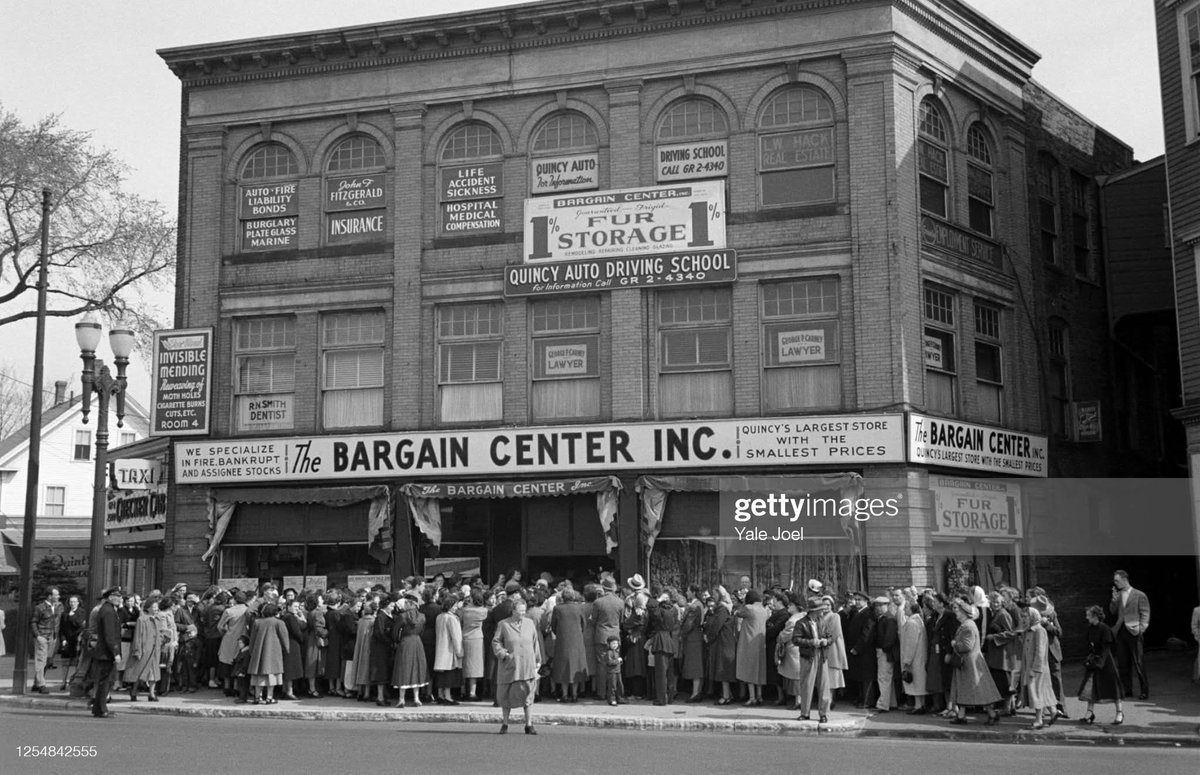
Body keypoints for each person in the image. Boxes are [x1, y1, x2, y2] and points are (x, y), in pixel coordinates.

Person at [492, 594, 543, 734]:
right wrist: (503, 654)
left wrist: (538, 661)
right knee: (505, 695)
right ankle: (505, 723)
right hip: (511, 665)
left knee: (528, 695)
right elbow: (496, 642)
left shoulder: (530, 623)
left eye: (523, 610)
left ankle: (529, 724)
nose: (522, 613)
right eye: (519, 611)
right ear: (513, 611)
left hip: (526, 665)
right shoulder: (503, 624)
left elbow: (535, 643)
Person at [946, 598, 1001, 725]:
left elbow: (966, 646)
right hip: (969, 663)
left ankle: (992, 714)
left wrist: (955, 644)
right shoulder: (968, 625)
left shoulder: (967, 626)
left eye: (958, 611)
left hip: (970, 663)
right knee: (967, 690)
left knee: (978, 690)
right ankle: (961, 715)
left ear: (965, 613)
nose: (956, 614)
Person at [1078, 604, 1124, 725]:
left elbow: (1106, 648)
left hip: (1106, 662)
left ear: (1095, 616)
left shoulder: (1104, 629)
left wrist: (1100, 663)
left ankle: (1119, 712)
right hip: (1094, 661)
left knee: (1113, 688)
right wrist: (1089, 659)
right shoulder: (1090, 628)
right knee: (1090, 688)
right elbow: (1088, 645)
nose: (1086, 618)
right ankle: (1089, 713)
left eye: (1088, 615)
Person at [1108, 569, 1150, 699]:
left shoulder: (1139, 594)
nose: (1115, 583)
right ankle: (1127, 689)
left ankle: (1144, 690)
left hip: (1134, 631)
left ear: (1124, 579)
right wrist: (1114, 600)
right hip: (1121, 631)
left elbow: (1145, 613)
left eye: (1117, 580)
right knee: (1123, 662)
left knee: (1138, 662)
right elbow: (1112, 612)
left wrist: (1141, 628)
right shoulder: (1118, 595)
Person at [792, 597, 832, 722]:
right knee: (806, 686)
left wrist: (826, 641)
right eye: (820, 609)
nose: (822, 611)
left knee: (824, 686)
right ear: (814, 611)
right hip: (808, 656)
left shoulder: (823, 621)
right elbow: (796, 640)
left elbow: (830, 637)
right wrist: (811, 642)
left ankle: (823, 714)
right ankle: (805, 713)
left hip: (821, 655)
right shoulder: (801, 623)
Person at [1018, 607, 1056, 729]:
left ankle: (1039, 720)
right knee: (1043, 691)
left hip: (1037, 668)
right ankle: (1054, 712)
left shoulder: (1039, 631)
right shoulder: (1028, 631)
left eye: (1025, 616)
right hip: (1030, 666)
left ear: (1033, 617)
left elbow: (1040, 652)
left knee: (1037, 693)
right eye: (1022, 617)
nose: (1023, 619)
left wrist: (1035, 669)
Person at [89, 587, 124, 718]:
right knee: (106, 681)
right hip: (106, 652)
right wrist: (115, 652)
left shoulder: (107, 609)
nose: (120, 598)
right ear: (110, 597)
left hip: (104, 651)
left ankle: (98, 708)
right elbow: (110, 635)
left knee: (104, 680)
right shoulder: (108, 611)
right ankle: (102, 709)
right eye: (117, 596)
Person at [551, 587, 589, 702]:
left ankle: (564, 695)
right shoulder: (579, 608)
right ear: (573, 596)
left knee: (563, 668)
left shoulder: (557, 609)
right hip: (577, 641)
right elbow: (584, 624)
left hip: (563, 641)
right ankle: (575, 694)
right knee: (575, 667)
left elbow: (553, 626)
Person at [246, 603, 288, 704]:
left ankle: (257, 697)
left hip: (258, 652)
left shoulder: (257, 622)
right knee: (272, 675)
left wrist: (251, 651)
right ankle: (269, 697)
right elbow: (284, 638)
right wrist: (287, 649)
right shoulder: (279, 623)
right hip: (274, 652)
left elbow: (252, 639)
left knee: (258, 675)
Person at [392, 593, 428, 708]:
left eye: (406, 602)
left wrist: (397, 641)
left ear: (411, 603)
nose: (405, 604)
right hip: (417, 642)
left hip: (405, 643)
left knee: (403, 668)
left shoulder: (403, 616)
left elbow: (395, 633)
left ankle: (401, 699)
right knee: (416, 668)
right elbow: (422, 631)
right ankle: (416, 698)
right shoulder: (422, 616)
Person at [125, 594, 162, 702]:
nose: (156, 609)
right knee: (139, 672)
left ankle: (151, 694)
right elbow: (138, 636)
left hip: (155, 649)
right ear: (148, 607)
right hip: (145, 649)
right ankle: (133, 691)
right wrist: (137, 649)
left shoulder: (158, 619)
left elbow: (159, 633)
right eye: (154, 607)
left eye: (157, 607)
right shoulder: (142, 620)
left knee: (154, 672)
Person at [735, 589, 769, 706]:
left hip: (749, 643)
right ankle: (760, 696)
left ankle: (752, 697)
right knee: (759, 670)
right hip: (760, 644)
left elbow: (737, 612)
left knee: (749, 670)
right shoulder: (764, 610)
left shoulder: (749, 608)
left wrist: (743, 602)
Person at [705, 586, 738, 705]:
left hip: (724, 642)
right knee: (723, 669)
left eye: (714, 593)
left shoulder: (722, 609)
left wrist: (709, 637)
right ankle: (728, 694)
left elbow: (716, 626)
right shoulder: (723, 608)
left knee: (723, 669)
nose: (713, 596)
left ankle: (726, 696)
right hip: (724, 641)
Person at [647, 590, 680, 705]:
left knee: (660, 673)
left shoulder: (660, 611)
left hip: (660, 639)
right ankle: (669, 697)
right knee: (669, 673)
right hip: (669, 640)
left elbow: (650, 605)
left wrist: (658, 599)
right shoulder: (672, 610)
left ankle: (661, 699)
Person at [845, 591, 876, 708]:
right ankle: (861, 698)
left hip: (865, 651)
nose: (857, 602)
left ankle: (868, 701)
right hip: (856, 650)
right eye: (856, 599)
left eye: (859, 600)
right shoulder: (856, 612)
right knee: (859, 676)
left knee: (866, 677)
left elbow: (866, 633)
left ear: (866, 601)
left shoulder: (869, 613)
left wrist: (857, 648)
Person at [433, 592, 464, 705]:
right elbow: (456, 636)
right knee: (449, 673)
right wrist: (459, 651)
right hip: (449, 650)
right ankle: (447, 696)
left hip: (440, 648)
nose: (456, 607)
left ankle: (440, 695)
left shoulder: (439, 616)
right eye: (454, 605)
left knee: (441, 673)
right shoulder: (451, 618)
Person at [871, 596, 899, 712]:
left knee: (883, 678)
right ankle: (891, 702)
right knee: (887, 678)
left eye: (881, 605)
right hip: (884, 651)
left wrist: (884, 648)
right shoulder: (884, 618)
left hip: (885, 652)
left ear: (887, 605)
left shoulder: (889, 619)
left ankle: (883, 704)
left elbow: (889, 638)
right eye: (877, 605)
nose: (878, 608)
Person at [899, 600, 928, 714]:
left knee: (915, 682)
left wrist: (907, 660)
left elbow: (911, 643)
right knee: (919, 682)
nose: (905, 609)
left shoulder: (911, 623)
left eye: (906, 607)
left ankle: (918, 706)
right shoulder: (918, 621)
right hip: (919, 657)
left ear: (911, 609)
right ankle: (921, 704)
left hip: (914, 658)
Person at [459, 588, 488, 701]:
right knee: (475, 667)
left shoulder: (464, 611)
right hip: (477, 638)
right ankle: (472, 692)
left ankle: (462, 691)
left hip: (465, 637)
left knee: (464, 665)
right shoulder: (484, 611)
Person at [31, 586, 61, 693]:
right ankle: (41, 684)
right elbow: (34, 621)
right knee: (41, 660)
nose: (58, 596)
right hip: (43, 636)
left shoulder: (58, 606)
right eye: (56, 595)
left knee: (47, 661)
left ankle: (36, 683)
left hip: (52, 636)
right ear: (49, 596)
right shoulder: (40, 608)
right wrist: (38, 635)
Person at [678, 584, 706, 702]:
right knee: (696, 665)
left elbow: (689, 624)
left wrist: (681, 634)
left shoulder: (694, 606)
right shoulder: (699, 604)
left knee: (695, 666)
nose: (686, 592)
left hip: (693, 638)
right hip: (695, 637)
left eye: (688, 591)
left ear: (693, 592)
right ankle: (696, 692)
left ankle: (695, 693)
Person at [57, 594, 87, 691]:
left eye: (74, 602)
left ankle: (72, 681)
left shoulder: (82, 612)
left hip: (76, 640)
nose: (72, 604)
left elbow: (80, 625)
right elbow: (61, 628)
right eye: (71, 602)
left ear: (78, 602)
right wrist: (63, 639)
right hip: (67, 641)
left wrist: (73, 616)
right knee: (65, 663)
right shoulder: (64, 614)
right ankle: (63, 682)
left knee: (75, 662)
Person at [281, 598, 306, 700]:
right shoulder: (290, 617)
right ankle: (289, 692)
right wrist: (302, 639)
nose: (297, 609)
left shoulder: (285, 616)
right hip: (292, 644)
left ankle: (285, 690)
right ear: (288, 607)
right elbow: (296, 632)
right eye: (295, 606)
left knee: (288, 669)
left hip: (288, 643)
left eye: (298, 606)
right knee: (290, 669)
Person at [600, 634, 625, 706]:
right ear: (609, 644)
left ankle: (620, 698)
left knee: (620, 685)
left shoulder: (617, 652)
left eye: (616, 643)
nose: (615, 645)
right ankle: (612, 699)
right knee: (612, 686)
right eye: (613, 643)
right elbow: (609, 662)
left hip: (618, 671)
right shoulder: (609, 653)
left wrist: (620, 661)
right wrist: (618, 660)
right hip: (612, 672)